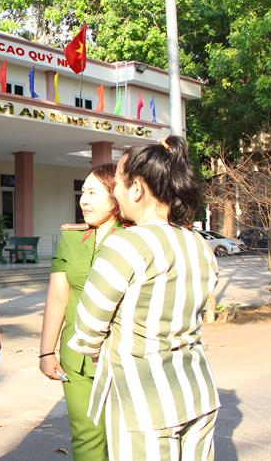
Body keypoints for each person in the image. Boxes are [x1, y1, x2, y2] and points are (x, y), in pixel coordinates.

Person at [70, 136, 220, 461]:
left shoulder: (126, 244)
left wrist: (97, 354)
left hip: (143, 401)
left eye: (118, 184)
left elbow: (88, 326)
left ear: (136, 189)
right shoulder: (199, 244)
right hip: (197, 391)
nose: (116, 193)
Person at [38, 163, 123, 460]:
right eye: (82, 192)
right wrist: (46, 352)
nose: (83, 200)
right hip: (77, 358)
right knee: (86, 439)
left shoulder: (135, 239)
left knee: (125, 440)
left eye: (93, 193)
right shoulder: (71, 239)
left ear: (116, 196)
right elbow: (58, 297)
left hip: (122, 358)